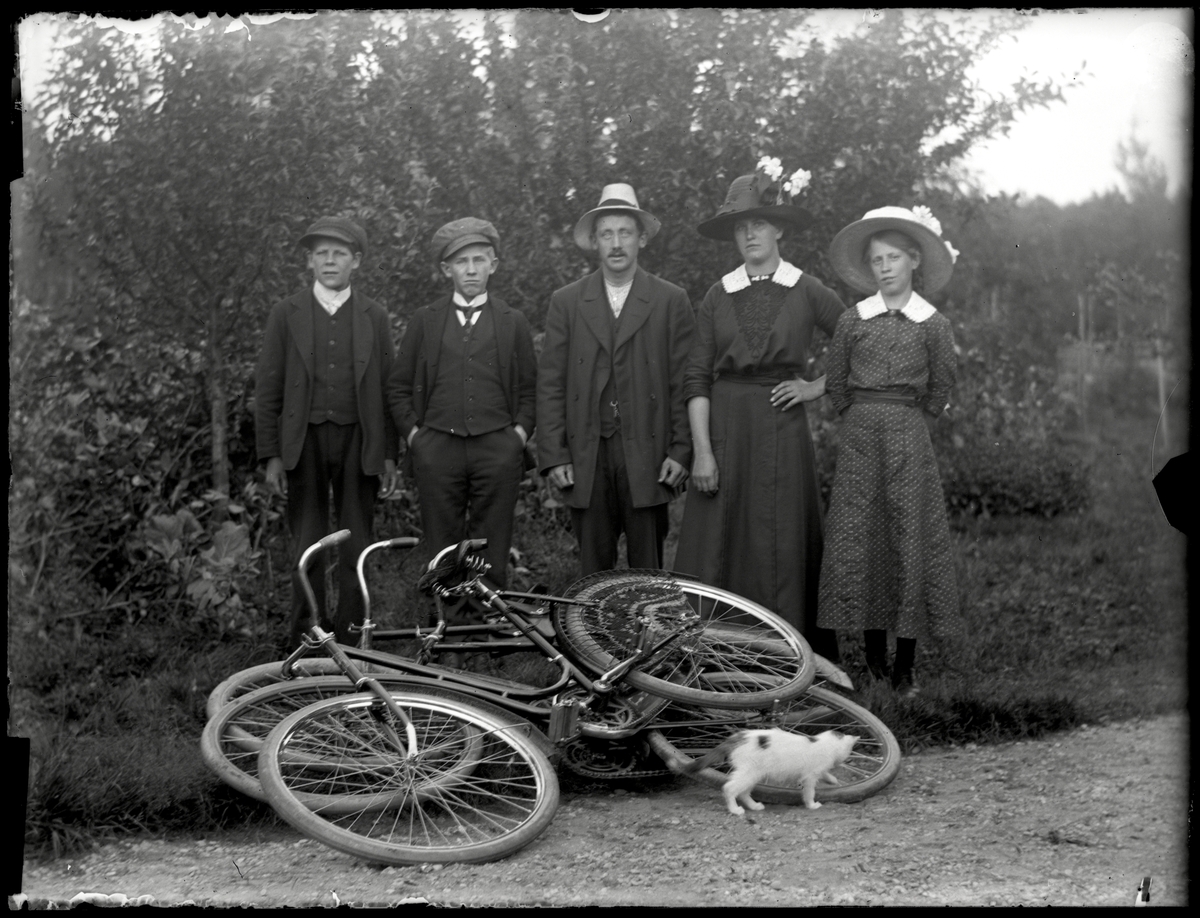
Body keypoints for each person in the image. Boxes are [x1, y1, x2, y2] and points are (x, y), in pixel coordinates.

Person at [673, 162, 843, 660]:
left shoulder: (807, 288)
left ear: (779, 230)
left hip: (782, 428)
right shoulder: (717, 294)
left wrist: (815, 387)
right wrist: (703, 452)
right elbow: (697, 377)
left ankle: (787, 655)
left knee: (780, 539)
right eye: (740, 227)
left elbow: (859, 340)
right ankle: (713, 656)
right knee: (719, 542)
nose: (749, 234)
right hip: (726, 429)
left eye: (759, 224)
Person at [817, 205, 964, 697]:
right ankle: (873, 658)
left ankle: (905, 665)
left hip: (907, 437)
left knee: (907, 535)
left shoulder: (933, 324)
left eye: (894, 257)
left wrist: (905, 419)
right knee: (862, 537)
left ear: (914, 260)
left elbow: (939, 387)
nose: (885, 267)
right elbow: (837, 383)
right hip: (860, 439)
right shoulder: (853, 319)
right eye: (877, 259)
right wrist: (865, 415)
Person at [254, 216, 399, 649]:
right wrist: (272, 454)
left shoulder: (374, 315)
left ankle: (353, 637)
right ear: (310, 261)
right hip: (305, 442)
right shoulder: (287, 313)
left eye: (339, 253)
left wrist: (389, 454)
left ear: (356, 261)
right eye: (321, 253)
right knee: (308, 541)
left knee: (357, 542)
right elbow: (268, 387)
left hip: (359, 440)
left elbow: (388, 386)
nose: (330, 261)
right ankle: (308, 635)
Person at [537, 183, 695, 574]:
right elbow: (551, 383)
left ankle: (650, 617)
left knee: (648, 569)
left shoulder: (670, 299)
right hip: (587, 451)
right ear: (594, 242)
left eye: (625, 232)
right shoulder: (567, 301)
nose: (617, 243)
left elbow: (685, 381)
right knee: (593, 570)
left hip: (649, 451)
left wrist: (681, 449)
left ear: (641, 238)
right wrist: (554, 454)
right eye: (606, 234)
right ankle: (593, 618)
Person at [389, 218, 537, 592]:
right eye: (461, 262)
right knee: (443, 543)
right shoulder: (425, 320)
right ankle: (449, 619)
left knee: (493, 540)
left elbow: (531, 389)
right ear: (446, 269)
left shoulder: (513, 321)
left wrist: (517, 437)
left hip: (497, 447)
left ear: (493, 265)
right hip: (438, 447)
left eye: (479, 260)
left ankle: (489, 618)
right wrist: (416, 438)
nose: (471, 269)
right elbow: (398, 386)